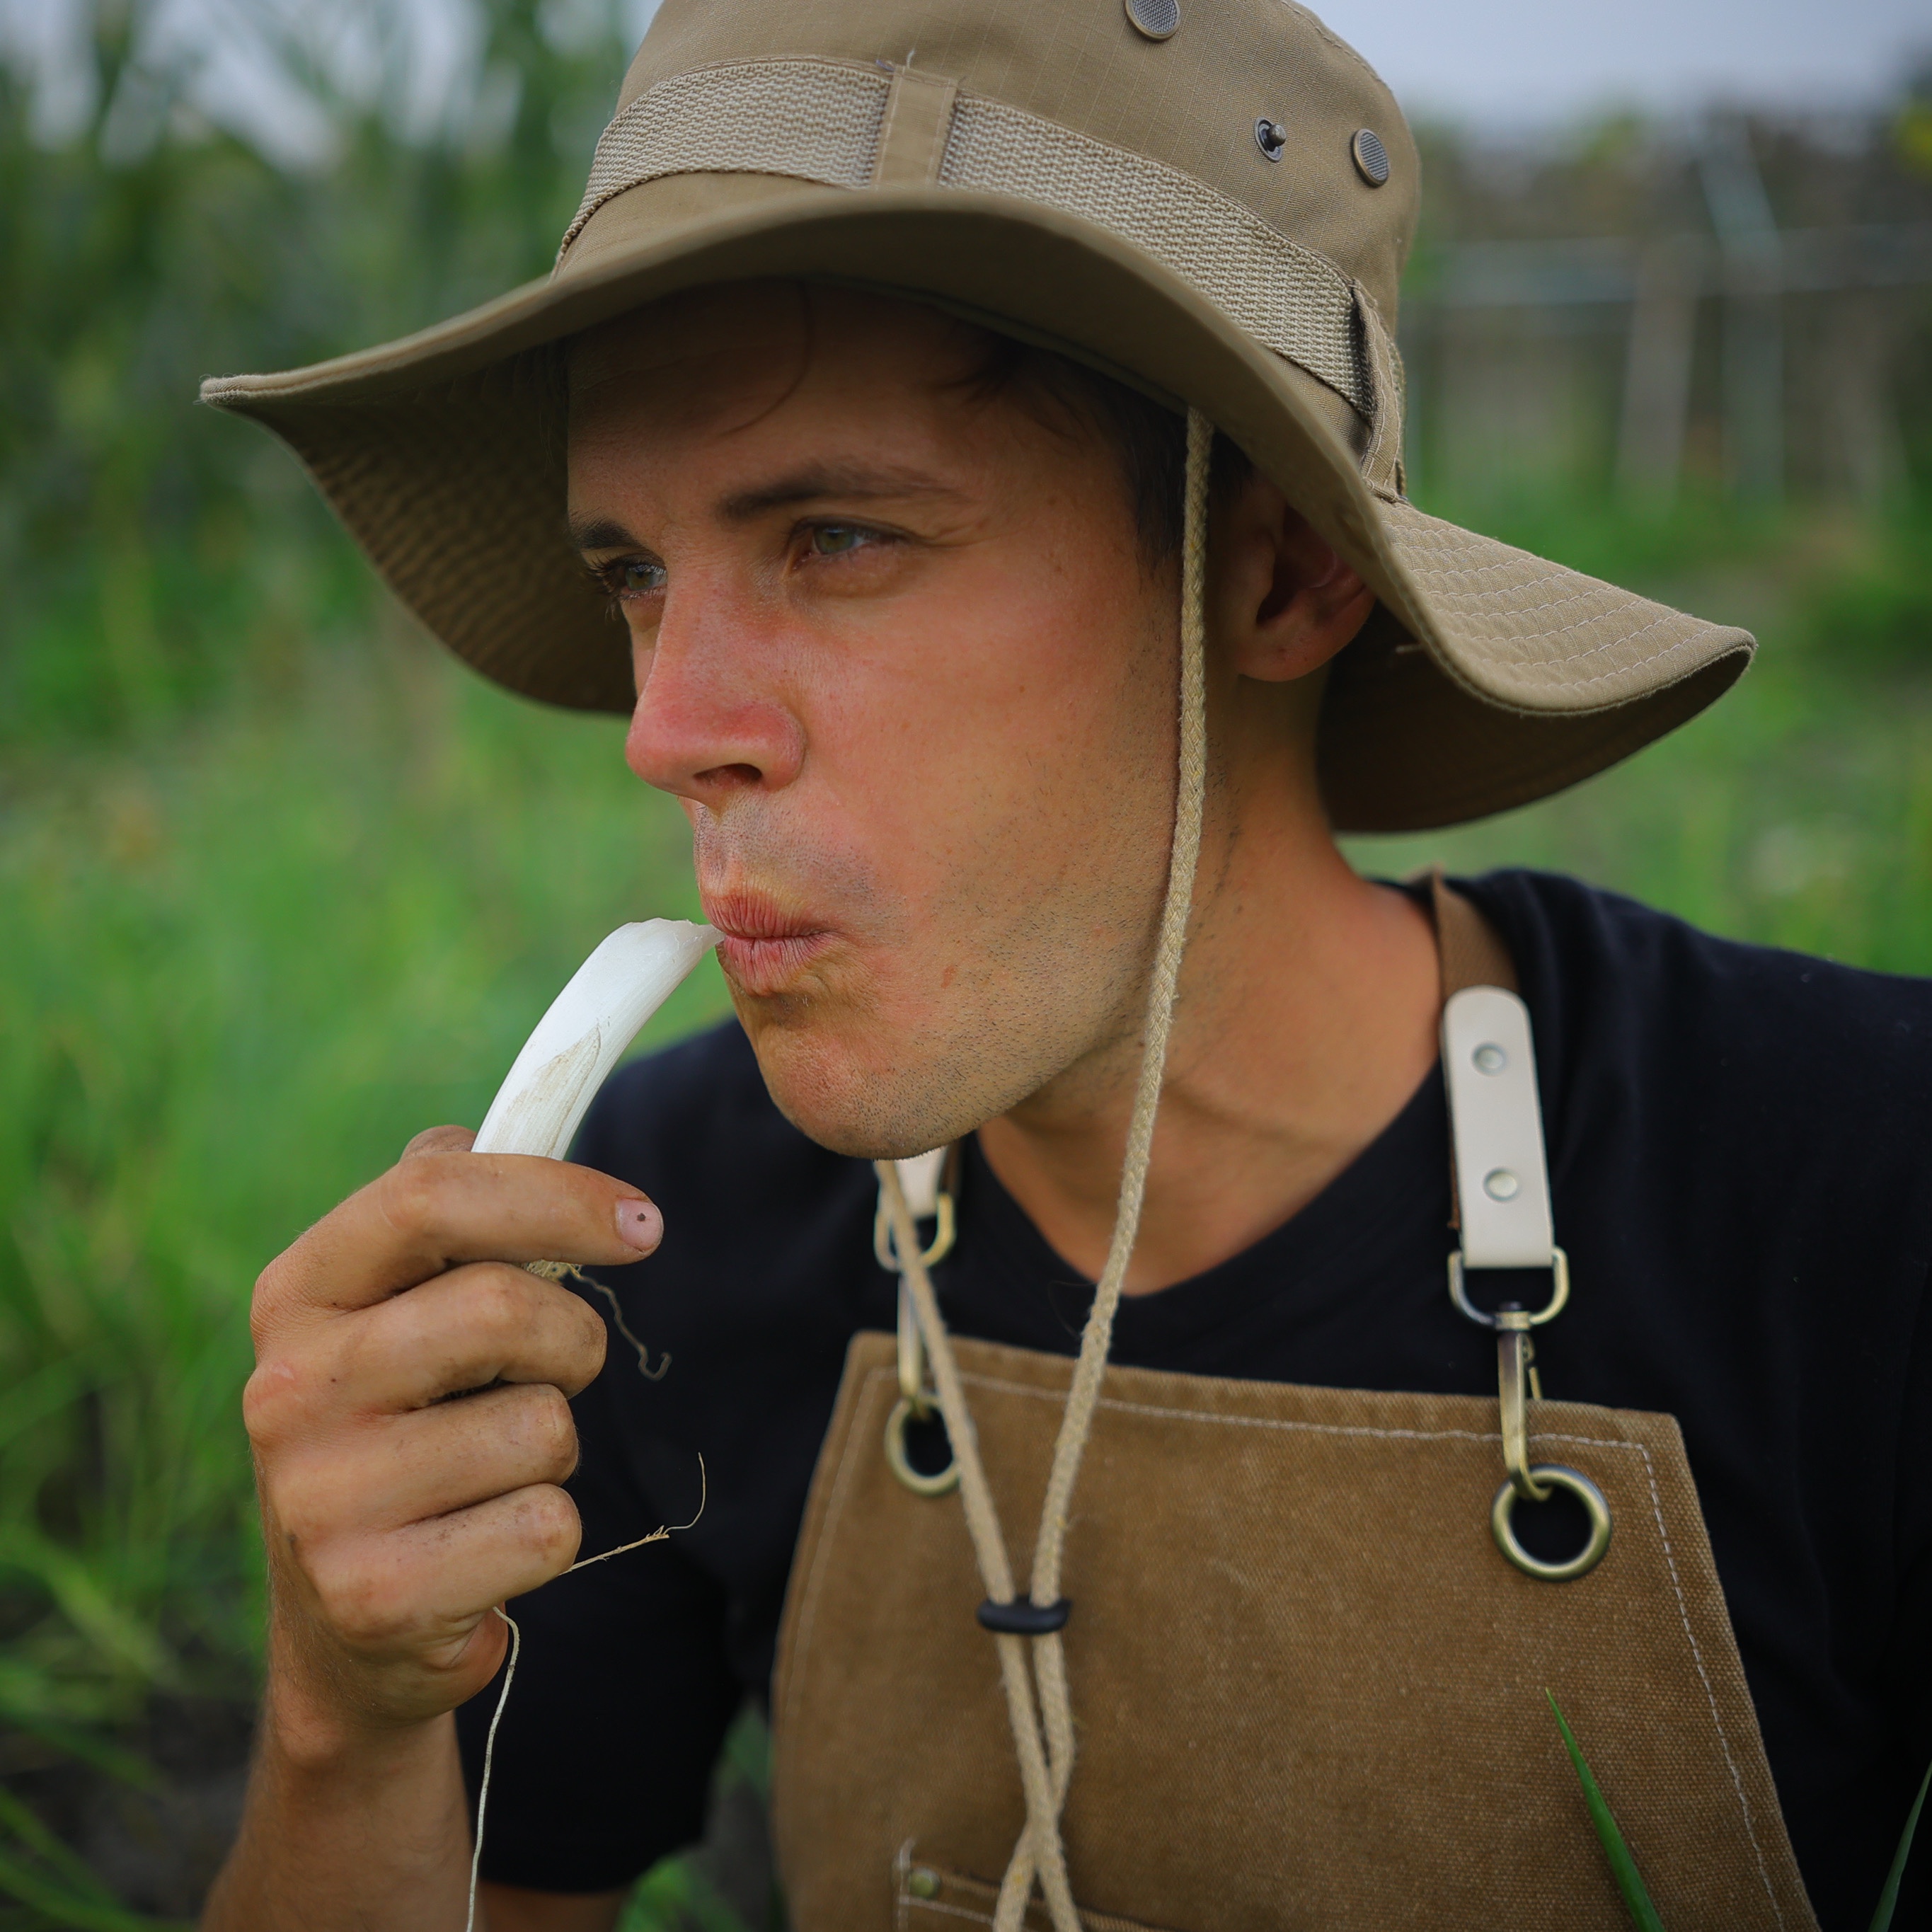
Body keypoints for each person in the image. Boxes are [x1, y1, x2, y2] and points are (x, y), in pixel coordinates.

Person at [197, 1, 1931, 1928]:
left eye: (838, 535)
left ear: (1279, 573)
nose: (665, 724)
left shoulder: (1858, 1194)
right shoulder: (635, 1242)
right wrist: (344, 1725)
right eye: (635, 576)